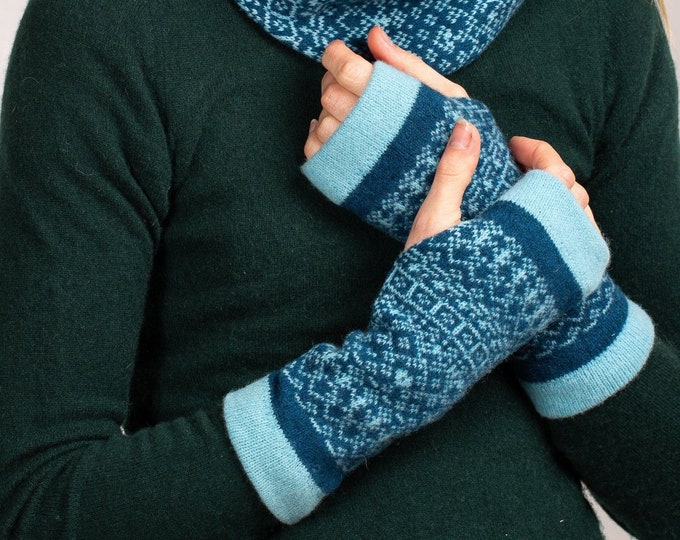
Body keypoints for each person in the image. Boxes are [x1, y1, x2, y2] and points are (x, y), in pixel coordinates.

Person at [0, 0, 677, 538]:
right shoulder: (109, 23)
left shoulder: (598, 17)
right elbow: (34, 505)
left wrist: (528, 267)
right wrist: (396, 369)